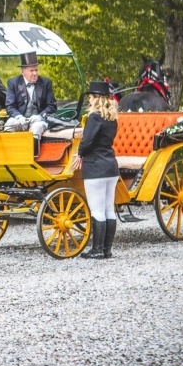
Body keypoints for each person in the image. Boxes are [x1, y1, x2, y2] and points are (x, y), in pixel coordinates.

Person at [71, 80, 119, 259]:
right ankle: (106, 249)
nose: (89, 100)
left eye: (91, 97)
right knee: (108, 209)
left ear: (96, 98)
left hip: (95, 168)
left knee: (97, 210)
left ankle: (97, 250)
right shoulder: (112, 118)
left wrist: (80, 154)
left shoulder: (94, 117)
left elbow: (87, 141)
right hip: (111, 168)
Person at [4, 51, 57, 138]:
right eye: (31, 70)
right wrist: (19, 117)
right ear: (22, 72)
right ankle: (10, 151)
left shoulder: (46, 83)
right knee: (10, 124)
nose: (35, 73)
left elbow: (52, 106)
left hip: (39, 120)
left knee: (36, 128)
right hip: (20, 119)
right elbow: (10, 106)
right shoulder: (13, 83)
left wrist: (39, 116)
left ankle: (34, 151)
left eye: (36, 70)